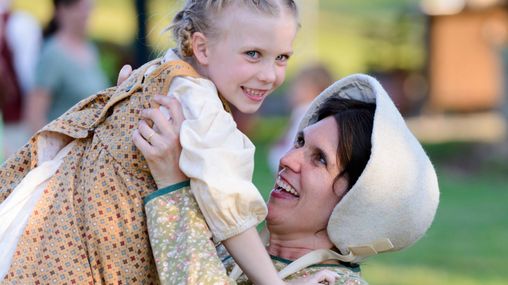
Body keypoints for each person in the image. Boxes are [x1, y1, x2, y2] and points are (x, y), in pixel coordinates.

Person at [0, 0, 312, 284]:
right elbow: (233, 212)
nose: (270, 75)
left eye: (282, 57)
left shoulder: (158, 71)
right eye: (253, 54)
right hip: (105, 254)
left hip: (59, 239)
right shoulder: (201, 105)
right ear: (202, 49)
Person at [138, 74, 440, 284]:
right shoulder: (223, 241)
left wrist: (172, 189)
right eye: (299, 143)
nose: (287, 159)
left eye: (319, 159)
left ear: (356, 201)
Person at [25, 0, 108, 133]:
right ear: (62, 10)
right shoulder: (53, 54)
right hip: (64, 147)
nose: (86, 11)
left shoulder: (90, 49)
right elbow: (35, 115)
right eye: (79, 6)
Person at [268, 63, 334, 172]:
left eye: (298, 86)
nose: (291, 91)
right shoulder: (305, 111)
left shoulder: (305, 112)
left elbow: (291, 143)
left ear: (316, 90)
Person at [0, 0, 41, 158]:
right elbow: (30, 79)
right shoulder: (21, 24)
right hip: (15, 124)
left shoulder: (19, 23)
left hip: (13, 122)